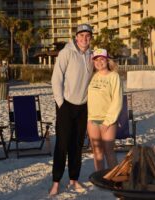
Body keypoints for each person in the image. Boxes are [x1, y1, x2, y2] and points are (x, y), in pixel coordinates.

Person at [49, 24, 93, 196]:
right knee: (62, 145)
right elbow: (56, 78)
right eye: (81, 35)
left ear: (90, 38)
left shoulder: (91, 55)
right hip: (66, 105)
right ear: (76, 37)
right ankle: (56, 182)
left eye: (87, 36)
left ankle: (74, 179)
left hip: (83, 107)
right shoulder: (66, 52)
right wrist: (60, 103)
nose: (84, 39)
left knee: (77, 145)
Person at [87, 48, 123, 171]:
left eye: (102, 59)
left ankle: (115, 179)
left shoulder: (114, 76)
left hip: (108, 121)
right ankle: (100, 177)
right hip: (92, 120)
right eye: (96, 60)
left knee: (109, 151)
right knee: (97, 152)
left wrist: (107, 122)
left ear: (107, 60)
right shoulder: (92, 76)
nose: (99, 62)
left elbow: (117, 101)